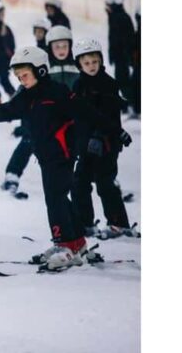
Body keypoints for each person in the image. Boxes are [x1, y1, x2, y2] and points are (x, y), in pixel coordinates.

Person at [0, 46, 132, 271]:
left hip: (63, 155)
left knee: (55, 198)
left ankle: (65, 245)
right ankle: (77, 244)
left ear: (40, 71)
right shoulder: (25, 96)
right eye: (18, 76)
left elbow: (88, 112)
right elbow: (2, 112)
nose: (21, 80)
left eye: (25, 75)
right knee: (60, 197)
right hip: (46, 156)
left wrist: (116, 131)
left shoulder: (57, 92)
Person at [71, 38, 139, 239]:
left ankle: (119, 223)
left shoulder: (108, 84)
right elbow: (76, 114)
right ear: (79, 65)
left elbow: (109, 116)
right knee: (79, 183)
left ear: (100, 61)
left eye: (94, 62)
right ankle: (85, 223)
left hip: (107, 144)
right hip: (85, 145)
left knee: (105, 183)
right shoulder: (78, 85)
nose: (91, 66)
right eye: (86, 63)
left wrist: (100, 137)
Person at [0, 18, 53, 198]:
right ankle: (12, 174)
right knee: (28, 142)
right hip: (32, 106)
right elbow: (24, 79)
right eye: (36, 31)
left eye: (41, 31)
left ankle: (99, 179)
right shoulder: (34, 51)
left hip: (51, 106)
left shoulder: (54, 51)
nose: (39, 34)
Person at [106, 0, 136, 113]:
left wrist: (119, 54)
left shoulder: (119, 17)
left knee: (122, 80)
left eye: (108, 6)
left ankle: (131, 104)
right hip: (121, 56)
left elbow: (121, 39)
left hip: (122, 56)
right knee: (122, 79)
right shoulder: (116, 16)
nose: (106, 8)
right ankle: (129, 103)